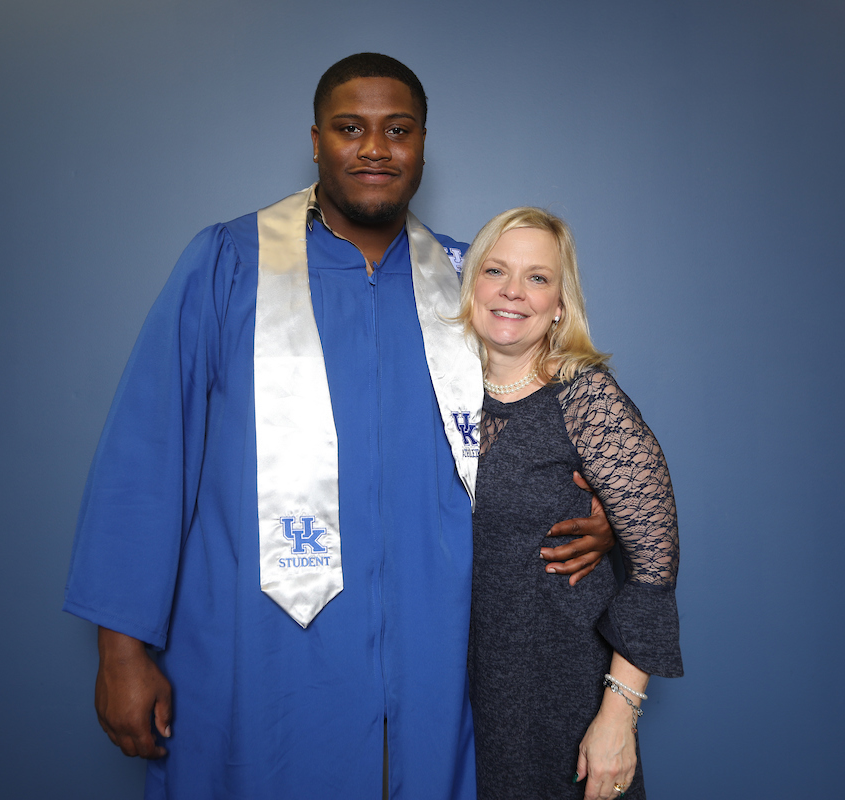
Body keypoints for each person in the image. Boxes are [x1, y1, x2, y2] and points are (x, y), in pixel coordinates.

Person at [64, 55, 613, 800]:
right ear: (316, 140)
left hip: (437, 647)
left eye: (399, 130)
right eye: (351, 129)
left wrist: (603, 517)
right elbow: (148, 454)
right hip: (258, 645)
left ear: (423, 145)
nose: (376, 149)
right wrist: (121, 649)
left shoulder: (470, 284)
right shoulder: (230, 264)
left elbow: (545, 430)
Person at [459, 208, 682, 800]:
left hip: (560, 697)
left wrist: (618, 717)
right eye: (496, 270)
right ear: (472, 285)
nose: (512, 291)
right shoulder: (438, 389)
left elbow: (654, 567)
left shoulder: (586, 398)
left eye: (538, 277)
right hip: (455, 701)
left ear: (561, 302)